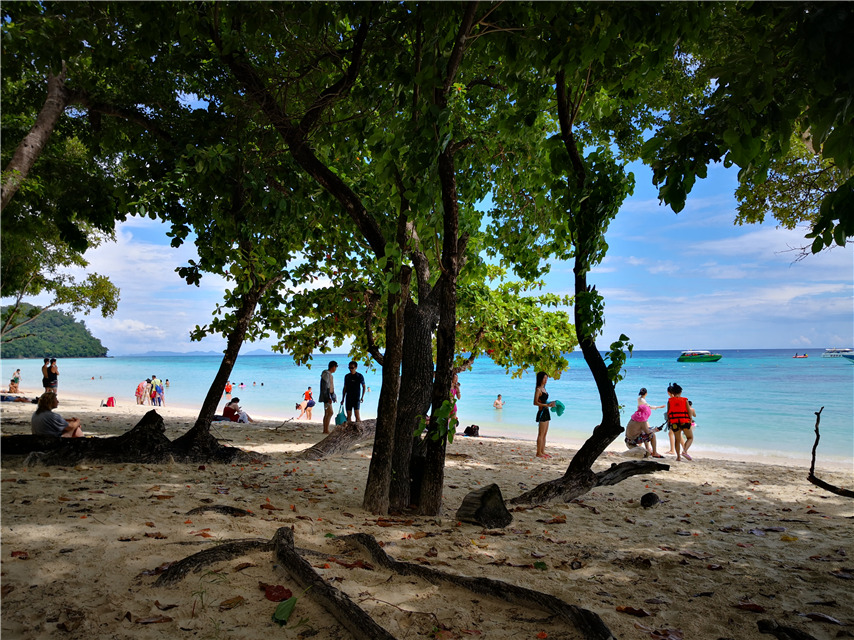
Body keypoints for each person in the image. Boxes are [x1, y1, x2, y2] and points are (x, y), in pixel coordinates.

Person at [625, 388, 665, 457]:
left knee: (644, 432)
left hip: (628, 440)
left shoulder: (634, 417)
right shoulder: (642, 421)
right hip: (632, 441)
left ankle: (647, 449)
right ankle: (654, 452)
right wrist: (655, 430)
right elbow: (648, 432)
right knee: (652, 435)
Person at [665, 382, 694, 461]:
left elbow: (668, 413)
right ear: (680, 392)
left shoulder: (669, 401)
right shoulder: (685, 400)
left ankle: (678, 457)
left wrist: (669, 422)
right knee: (690, 437)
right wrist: (691, 419)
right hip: (684, 421)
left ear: (672, 392)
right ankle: (684, 451)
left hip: (674, 422)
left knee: (677, 440)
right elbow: (689, 411)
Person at [533, 371, 556, 458]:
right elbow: (535, 402)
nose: (546, 380)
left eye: (547, 378)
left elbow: (544, 401)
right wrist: (546, 405)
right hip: (542, 412)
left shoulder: (544, 389)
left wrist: (551, 403)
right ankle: (538, 453)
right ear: (540, 379)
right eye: (544, 378)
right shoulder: (538, 389)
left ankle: (542, 451)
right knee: (541, 434)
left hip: (546, 412)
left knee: (545, 434)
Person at [319, 361, 338, 434]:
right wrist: (328, 398)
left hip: (328, 395)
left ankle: (325, 429)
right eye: (335, 367)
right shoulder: (326, 374)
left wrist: (333, 396)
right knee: (330, 412)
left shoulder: (329, 375)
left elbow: (331, 387)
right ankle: (326, 429)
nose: (335, 369)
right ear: (333, 367)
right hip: (326, 396)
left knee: (327, 413)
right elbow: (325, 387)